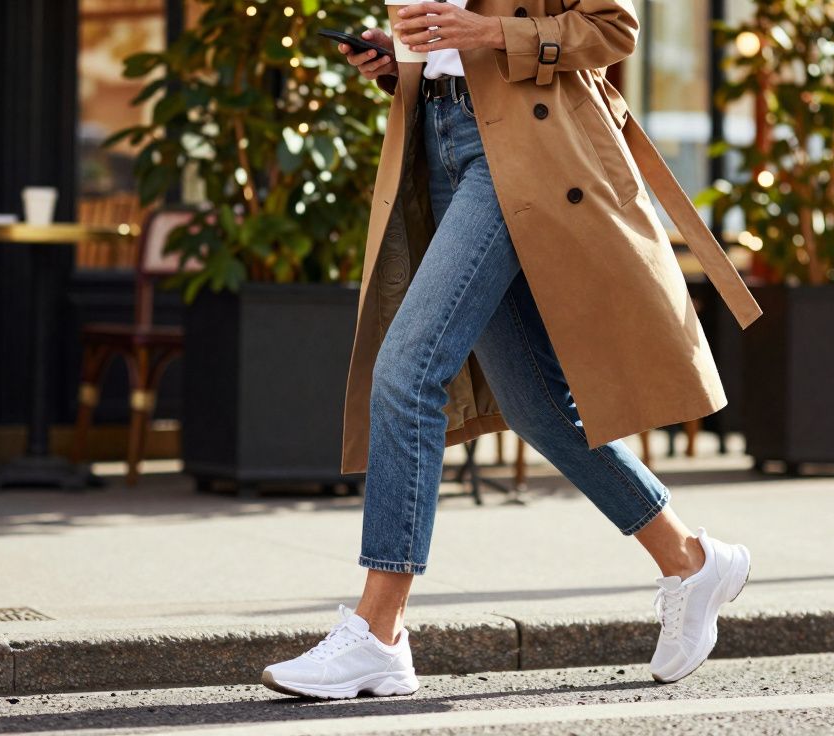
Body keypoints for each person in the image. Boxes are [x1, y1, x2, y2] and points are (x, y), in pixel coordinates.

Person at [262, 0, 763, 698]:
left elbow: (615, 28)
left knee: (407, 375)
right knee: (536, 404)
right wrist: (396, 57)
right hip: (434, 136)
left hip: (517, 151)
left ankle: (379, 632)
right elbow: (442, 44)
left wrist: (490, 32)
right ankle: (689, 559)